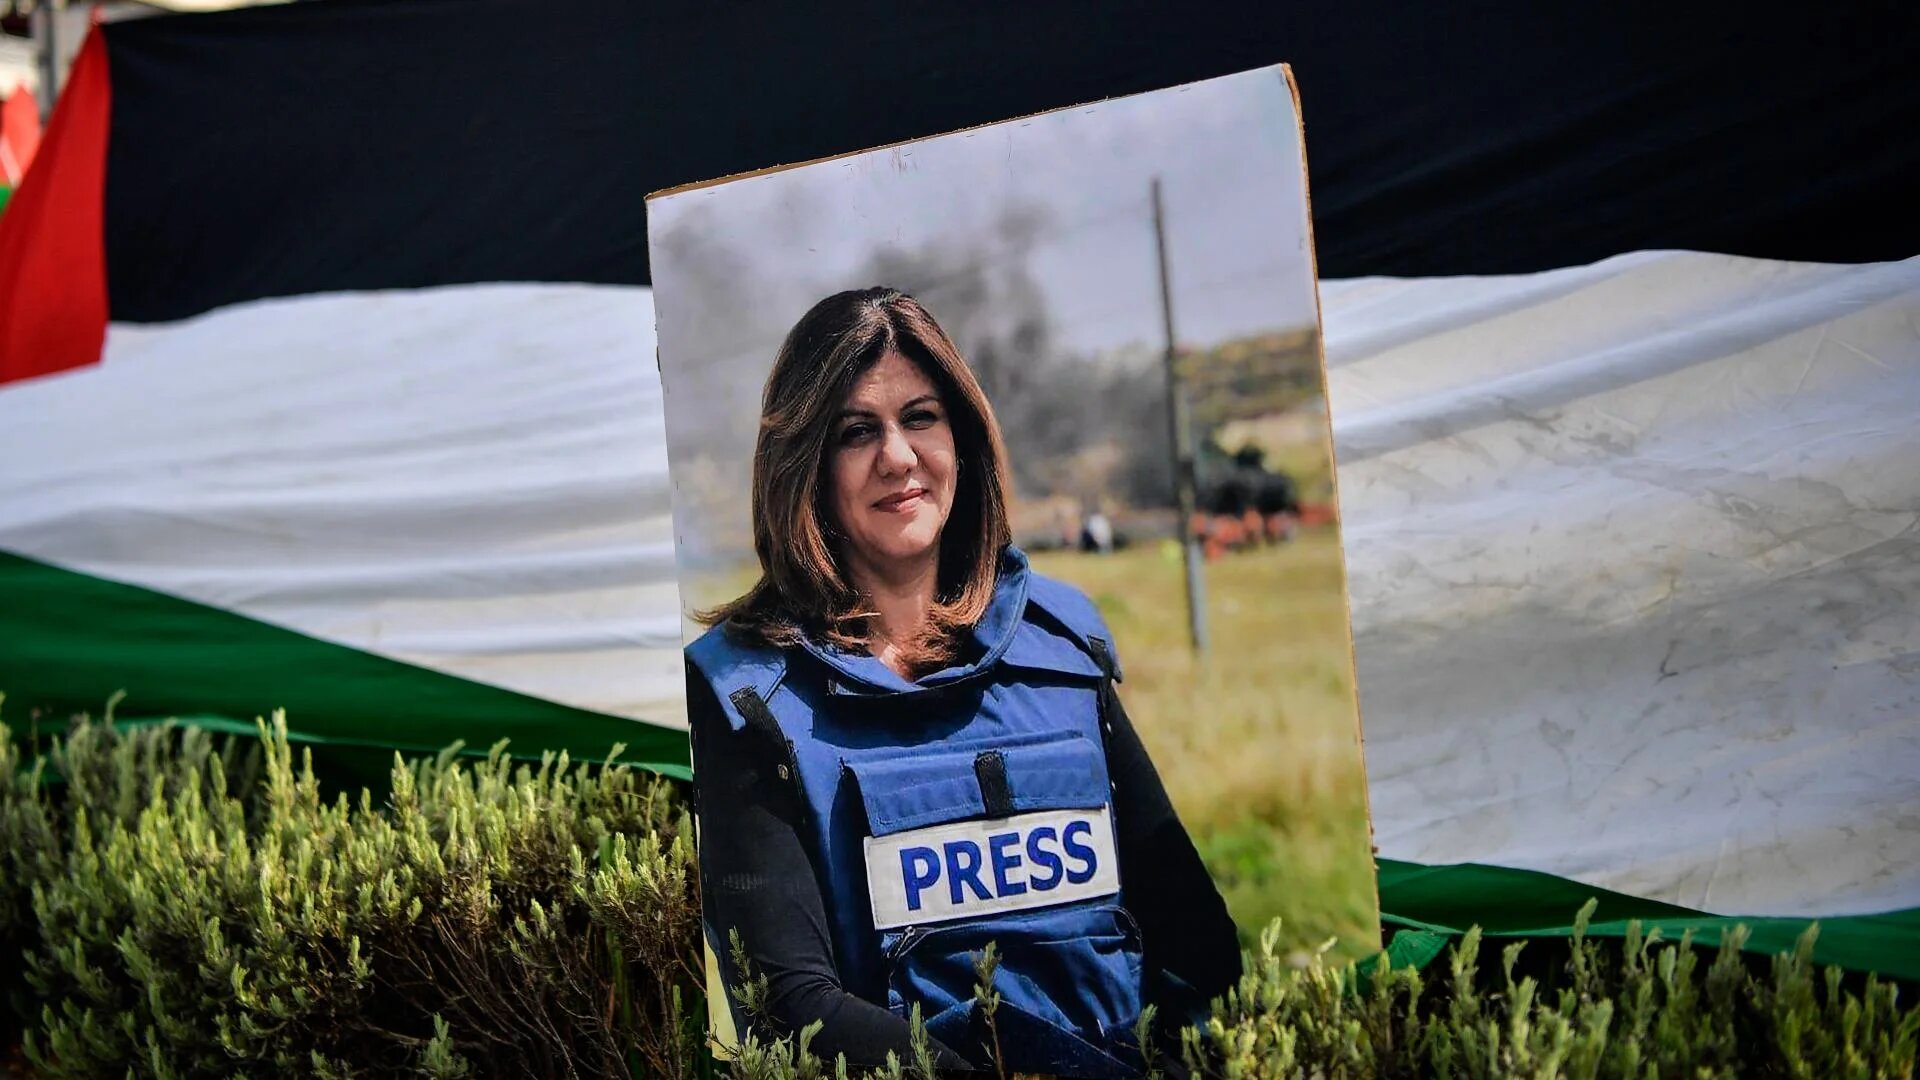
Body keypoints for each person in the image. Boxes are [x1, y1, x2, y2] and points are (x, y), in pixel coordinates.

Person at [686, 287, 1240, 1077]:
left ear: (962, 438)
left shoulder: (1061, 645)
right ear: (805, 464)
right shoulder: (746, 694)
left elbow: (1197, 942)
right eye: (855, 431)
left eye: (921, 418)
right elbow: (789, 1005)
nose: (898, 457)